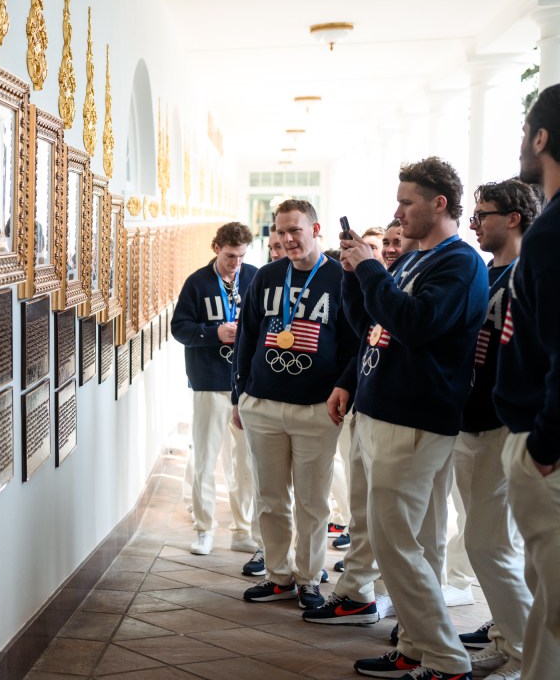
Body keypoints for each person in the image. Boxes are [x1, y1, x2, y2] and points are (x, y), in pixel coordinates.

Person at [339, 157, 486, 680]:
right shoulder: (413, 259)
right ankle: (419, 647)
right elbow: (372, 325)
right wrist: (354, 276)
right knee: (412, 542)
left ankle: (447, 659)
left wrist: (373, 270)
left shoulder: (459, 263)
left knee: (393, 543)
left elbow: (416, 325)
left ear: (438, 203)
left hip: (416, 416)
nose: (397, 212)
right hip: (386, 410)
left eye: (406, 202)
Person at [232, 200, 358, 611]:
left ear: (315, 228)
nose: (287, 239)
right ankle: (278, 576)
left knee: (312, 501)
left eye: (295, 231)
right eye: (280, 232)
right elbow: (247, 336)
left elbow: (354, 343)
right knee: (270, 498)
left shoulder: (340, 277)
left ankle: (308, 578)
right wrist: (240, 395)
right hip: (263, 404)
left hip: (315, 409)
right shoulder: (268, 275)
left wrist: (342, 388)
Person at [449, 178, 541, 679]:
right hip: (472, 419)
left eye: (482, 214)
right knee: (487, 541)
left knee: (489, 543)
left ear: (513, 218)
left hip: (502, 424)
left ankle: (525, 654)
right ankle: (510, 637)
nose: (475, 224)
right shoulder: (488, 271)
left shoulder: (528, 276)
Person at [494, 82, 560, 680]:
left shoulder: (553, 231)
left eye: (523, 132)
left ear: (541, 138)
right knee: (547, 598)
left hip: (548, 449)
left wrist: (543, 444)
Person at [171, 222, 259, 557]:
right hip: (209, 381)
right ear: (217, 248)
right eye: (230, 256)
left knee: (245, 462)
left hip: (246, 384)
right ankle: (204, 529)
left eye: (241, 256)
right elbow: (180, 327)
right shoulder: (197, 282)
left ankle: (243, 529)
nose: (236, 263)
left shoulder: (254, 277)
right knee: (206, 460)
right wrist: (214, 333)